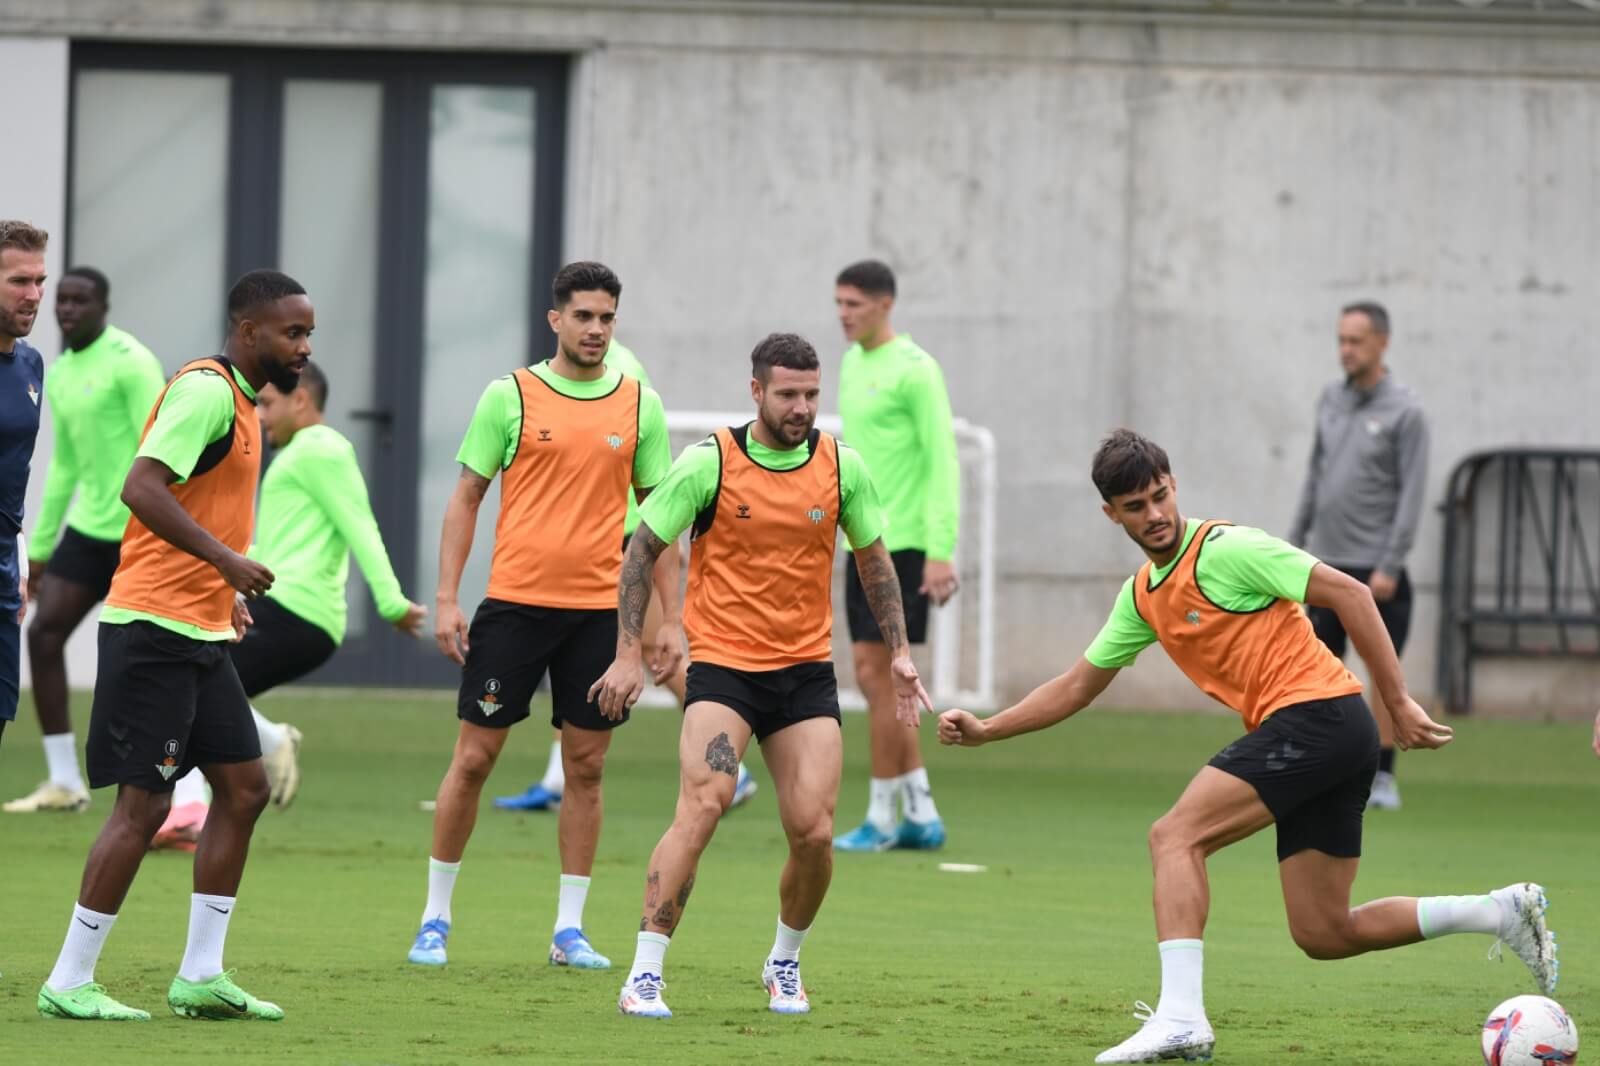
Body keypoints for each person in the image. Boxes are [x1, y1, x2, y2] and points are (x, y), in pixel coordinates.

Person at [937, 430, 1556, 1064]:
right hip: (1328, 736)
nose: (1154, 515)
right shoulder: (1143, 598)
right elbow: (1075, 686)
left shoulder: (1227, 550)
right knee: (1324, 931)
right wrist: (989, 729)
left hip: (1319, 717)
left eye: (1159, 496)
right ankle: (1499, 912)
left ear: (1173, 484)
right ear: (1111, 514)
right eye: (1135, 507)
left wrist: (1396, 700)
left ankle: (1180, 1018)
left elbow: (1351, 593)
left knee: (1174, 836)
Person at [597, 332, 930, 1020]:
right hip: (724, 669)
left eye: (812, 394)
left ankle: (784, 961)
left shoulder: (842, 467)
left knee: (813, 832)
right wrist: (632, 649)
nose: (803, 406)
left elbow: (874, 561)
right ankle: (644, 973)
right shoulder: (708, 462)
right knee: (705, 803)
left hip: (805, 674)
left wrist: (898, 650)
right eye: (788, 394)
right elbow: (640, 553)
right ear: (756, 392)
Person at [36, 269, 312, 1022]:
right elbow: (142, 486)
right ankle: (68, 980)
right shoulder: (205, 391)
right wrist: (226, 563)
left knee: (244, 789)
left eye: (308, 332)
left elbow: (202, 505)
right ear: (249, 331)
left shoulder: (248, 407)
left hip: (202, 630)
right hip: (153, 629)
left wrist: (223, 593)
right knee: (145, 805)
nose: (303, 345)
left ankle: (199, 973)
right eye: (293, 331)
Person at [408, 262, 675, 973]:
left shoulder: (640, 405)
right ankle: (435, 917)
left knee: (586, 768)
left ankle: (569, 930)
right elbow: (466, 497)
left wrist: (668, 622)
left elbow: (660, 524)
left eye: (608, 318)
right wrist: (445, 598)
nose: (596, 329)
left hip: (598, 616)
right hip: (515, 610)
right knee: (474, 759)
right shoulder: (511, 395)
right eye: (584, 316)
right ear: (555, 319)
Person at [151, 361, 426, 849]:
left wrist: (391, 603)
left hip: (299, 613)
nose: (259, 417)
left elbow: (360, 525)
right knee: (199, 687)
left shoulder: (323, 449)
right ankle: (261, 751)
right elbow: (271, 545)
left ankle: (193, 807)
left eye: (269, 405)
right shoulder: (296, 456)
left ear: (302, 401)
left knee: (190, 684)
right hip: (278, 603)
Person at [495, 337, 756, 813]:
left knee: (661, 650)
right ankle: (557, 776)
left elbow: (635, 452)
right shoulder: (565, 369)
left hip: (627, 534)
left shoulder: (618, 368)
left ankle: (729, 762)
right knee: (575, 658)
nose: (588, 326)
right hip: (600, 536)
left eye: (597, 315)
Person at [6, 267, 164, 813]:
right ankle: (64, 780)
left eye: (81, 300)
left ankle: (230, 762)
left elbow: (168, 444)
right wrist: (41, 548)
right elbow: (65, 466)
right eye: (62, 301)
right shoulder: (62, 371)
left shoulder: (133, 362)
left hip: (142, 530)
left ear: (105, 305)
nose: (67, 309)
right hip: (92, 530)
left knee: (156, 655)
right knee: (44, 634)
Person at [831, 260, 959, 853]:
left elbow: (941, 460)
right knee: (870, 677)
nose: (843, 314)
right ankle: (921, 812)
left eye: (854, 304)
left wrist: (941, 551)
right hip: (861, 539)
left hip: (904, 546)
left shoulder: (917, 370)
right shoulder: (853, 364)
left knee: (886, 681)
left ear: (885, 304)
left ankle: (883, 816)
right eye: (839, 303)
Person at [1289, 301, 1429, 812]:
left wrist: (1390, 564)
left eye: (1356, 341)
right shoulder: (1330, 399)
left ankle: (1384, 778)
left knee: (1381, 671)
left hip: (1376, 570)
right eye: (1341, 340)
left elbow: (1412, 493)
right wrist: (1291, 546)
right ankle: (1321, 767)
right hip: (1325, 565)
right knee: (1318, 670)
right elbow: (1315, 475)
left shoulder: (1406, 411)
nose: (1346, 350)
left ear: (1382, 343)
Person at [0, 221, 49, 754]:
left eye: (39, 280)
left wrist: (19, 554)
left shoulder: (31, 364)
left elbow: (16, 468)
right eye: (19, 281)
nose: (34, 295)